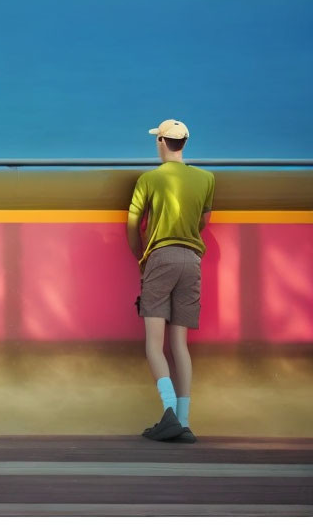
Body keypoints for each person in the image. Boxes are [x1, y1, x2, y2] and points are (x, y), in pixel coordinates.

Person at [126, 119, 215, 443]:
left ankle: (167, 413)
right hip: (192, 261)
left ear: (162, 141)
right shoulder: (206, 179)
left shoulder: (149, 179)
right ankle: (184, 421)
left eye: (157, 140)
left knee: (154, 343)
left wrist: (141, 258)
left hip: (160, 258)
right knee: (180, 345)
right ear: (185, 143)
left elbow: (133, 223)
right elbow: (203, 221)